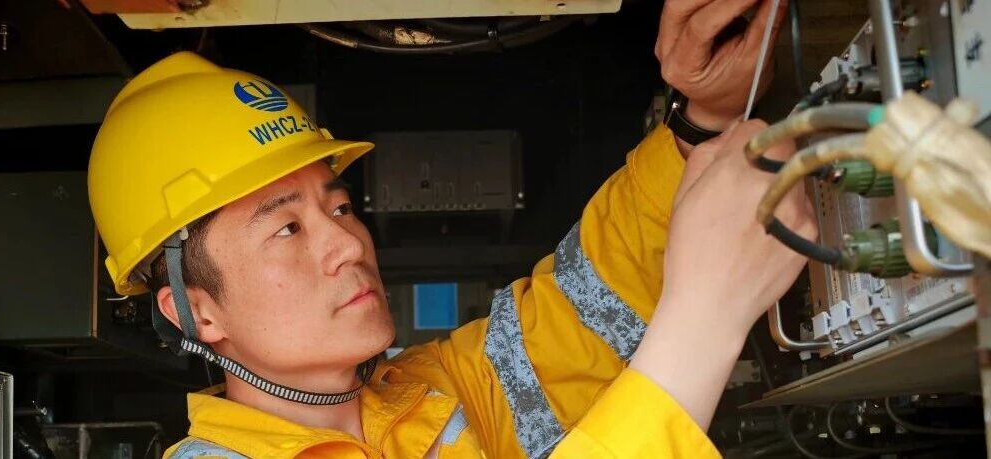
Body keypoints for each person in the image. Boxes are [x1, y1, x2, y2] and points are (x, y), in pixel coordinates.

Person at [86, 0, 813, 457]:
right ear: (194, 309)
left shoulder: (431, 390)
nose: (348, 243)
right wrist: (702, 323)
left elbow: (582, 312)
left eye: (339, 207)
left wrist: (700, 120)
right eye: (286, 229)